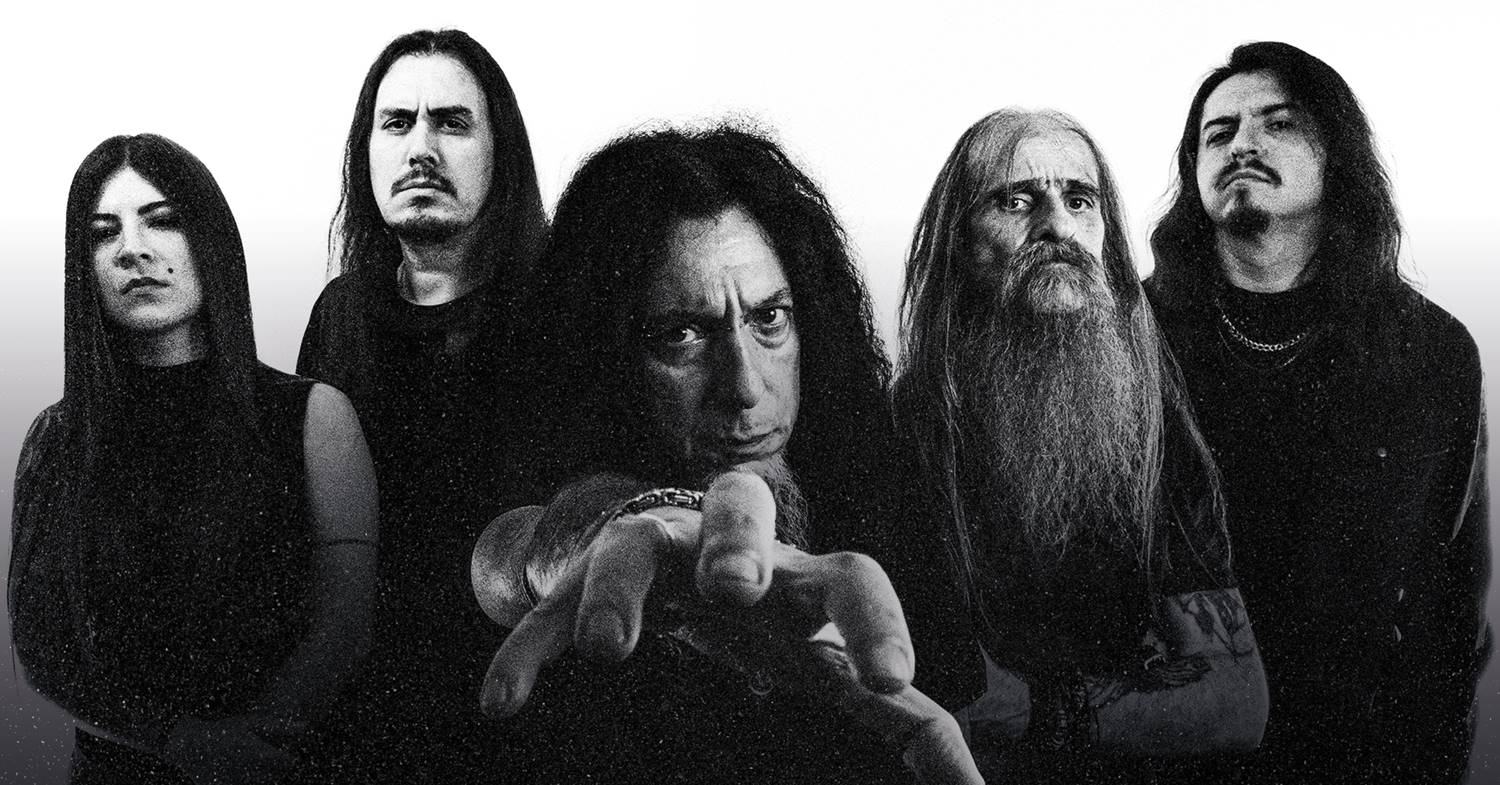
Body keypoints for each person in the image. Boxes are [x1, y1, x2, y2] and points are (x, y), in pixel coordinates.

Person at [471, 125, 983, 783]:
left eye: (769, 319)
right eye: (682, 334)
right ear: (602, 359)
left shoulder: (886, 488)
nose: (744, 385)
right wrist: (634, 521)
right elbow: (516, 549)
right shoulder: (540, 470)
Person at [1146, 41, 1490, 784]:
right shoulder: (1130, 339)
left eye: (1279, 123)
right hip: (1169, 754)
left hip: (1358, 757)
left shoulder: (1429, 350)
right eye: (1218, 133)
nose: (1242, 144)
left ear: (1338, 156)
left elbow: (1449, 599)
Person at [892, 108, 1268, 783]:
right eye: (1016, 201)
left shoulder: (1155, 426)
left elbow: (1237, 703)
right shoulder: (900, 431)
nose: (1059, 227)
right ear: (959, 244)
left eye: (1080, 200)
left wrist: (1040, 712)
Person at [8, 134, 377, 784]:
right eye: (102, 233)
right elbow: (39, 645)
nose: (132, 249)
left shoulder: (315, 417)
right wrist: (178, 741)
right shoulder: (54, 439)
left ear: (211, 240)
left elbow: (344, 622)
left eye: (162, 220)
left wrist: (246, 749)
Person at [294, 28, 548, 780]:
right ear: (366, 152)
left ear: (500, 153)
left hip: (528, 723)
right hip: (365, 728)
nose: (421, 149)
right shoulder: (340, 316)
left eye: (452, 123)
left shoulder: (560, 312)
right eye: (397, 123)